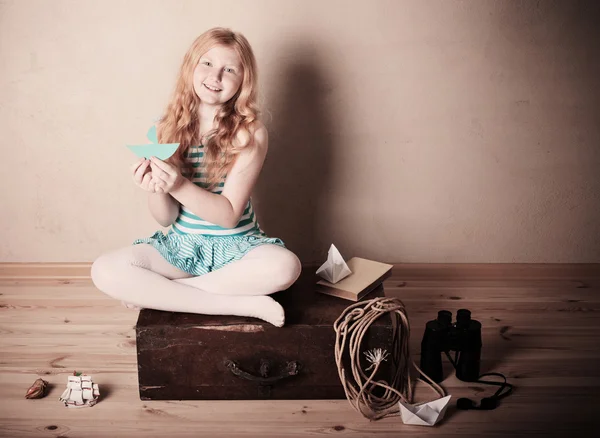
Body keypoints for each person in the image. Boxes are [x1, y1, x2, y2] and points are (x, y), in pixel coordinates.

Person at [91, 28, 301, 327]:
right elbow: (165, 219)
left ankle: (163, 297)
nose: (215, 76)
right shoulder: (165, 127)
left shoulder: (250, 132)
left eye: (229, 69)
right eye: (207, 63)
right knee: (104, 270)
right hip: (181, 248)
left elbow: (228, 216)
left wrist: (177, 183)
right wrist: (156, 187)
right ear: (191, 66)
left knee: (285, 267)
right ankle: (240, 304)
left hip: (237, 247)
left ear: (243, 80)